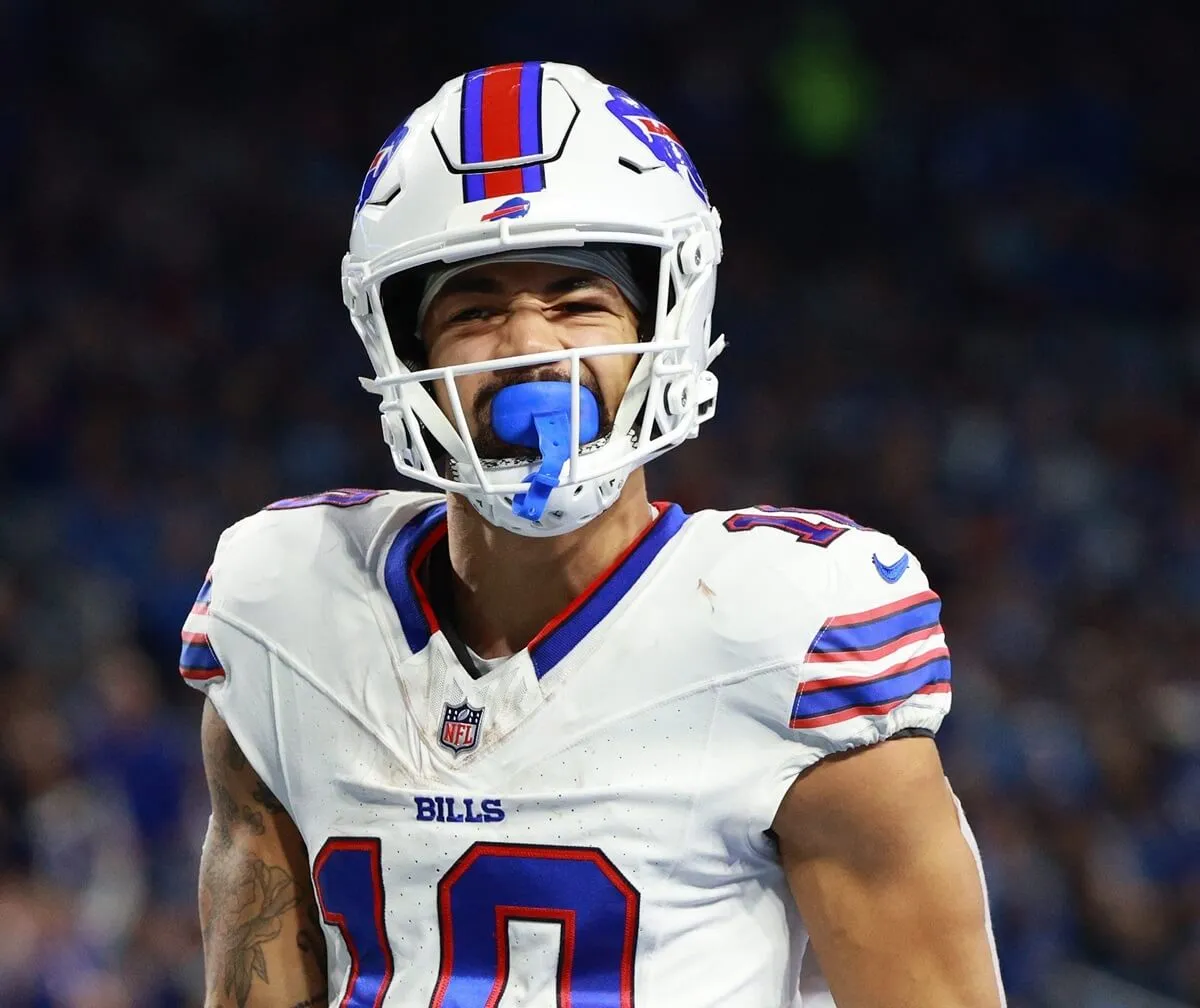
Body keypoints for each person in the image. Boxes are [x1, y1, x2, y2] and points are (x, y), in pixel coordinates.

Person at [183, 62, 1006, 1007]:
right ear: (403, 346)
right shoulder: (285, 607)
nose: (531, 345)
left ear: (666, 321)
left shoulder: (787, 634)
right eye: (476, 308)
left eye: (578, 301)